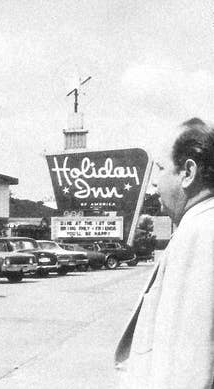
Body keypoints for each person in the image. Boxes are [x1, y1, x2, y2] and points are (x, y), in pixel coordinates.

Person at [115, 117, 214, 388]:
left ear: (188, 173)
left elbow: (192, 368)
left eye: (160, 168)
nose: (154, 183)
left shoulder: (201, 234)